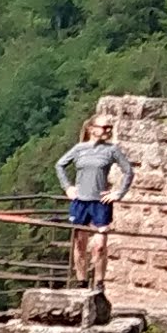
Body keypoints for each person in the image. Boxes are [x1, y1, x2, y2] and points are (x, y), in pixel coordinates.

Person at [55, 122, 131, 285]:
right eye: (104, 127)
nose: (107, 130)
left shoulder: (111, 150)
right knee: (79, 245)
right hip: (80, 202)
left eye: (109, 127)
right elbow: (60, 165)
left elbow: (128, 171)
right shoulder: (80, 149)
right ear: (92, 129)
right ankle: (82, 282)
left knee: (100, 246)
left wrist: (118, 193)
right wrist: (67, 187)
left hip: (100, 203)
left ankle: (99, 283)